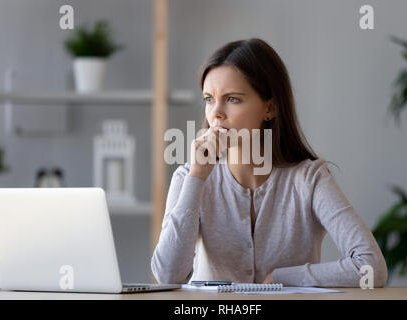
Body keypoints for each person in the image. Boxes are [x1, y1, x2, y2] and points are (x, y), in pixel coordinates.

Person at [151, 38, 387, 287]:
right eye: (209, 99)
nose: (216, 113)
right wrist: (196, 179)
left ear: (270, 108)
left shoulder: (309, 179)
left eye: (233, 99)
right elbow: (168, 275)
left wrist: (283, 278)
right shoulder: (189, 177)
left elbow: (371, 267)